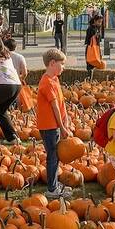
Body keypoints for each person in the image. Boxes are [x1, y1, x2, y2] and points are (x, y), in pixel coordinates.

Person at [36, 48, 73, 199]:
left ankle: (55, 185)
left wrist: (66, 119)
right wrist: (62, 127)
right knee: (53, 156)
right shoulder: (46, 83)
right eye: (61, 64)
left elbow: (60, 102)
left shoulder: (54, 79)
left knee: (55, 156)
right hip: (49, 126)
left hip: (54, 125)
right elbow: (54, 106)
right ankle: (52, 189)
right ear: (52, 63)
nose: (63, 67)